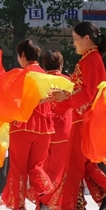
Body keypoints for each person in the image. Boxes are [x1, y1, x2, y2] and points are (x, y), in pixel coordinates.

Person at [39, 22, 106, 210]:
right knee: (82, 164)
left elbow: (88, 93)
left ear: (86, 38)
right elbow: (82, 91)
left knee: (75, 164)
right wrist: (63, 97)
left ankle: (85, 203)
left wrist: (65, 100)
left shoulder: (90, 60)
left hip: (84, 119)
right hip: (83, 117)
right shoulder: (89, 59)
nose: (74, 43)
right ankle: (101, 195)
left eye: (76, 39)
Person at [0, 39, 54, 210]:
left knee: (18, 169)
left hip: (22, 127)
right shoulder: (46, 75)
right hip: (45, 129)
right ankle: (46, 195)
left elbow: (13, 101)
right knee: (37, 166)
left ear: (23, 55)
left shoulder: (22, 75)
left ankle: (19, 206)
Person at [40, 50, 72, 187]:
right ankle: (54, 200)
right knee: (60, 168)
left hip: (44, 128)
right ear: (60, 64)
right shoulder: (68, 81)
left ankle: (44, 199)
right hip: (64, 129)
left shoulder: (39, 81)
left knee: (44, 167)